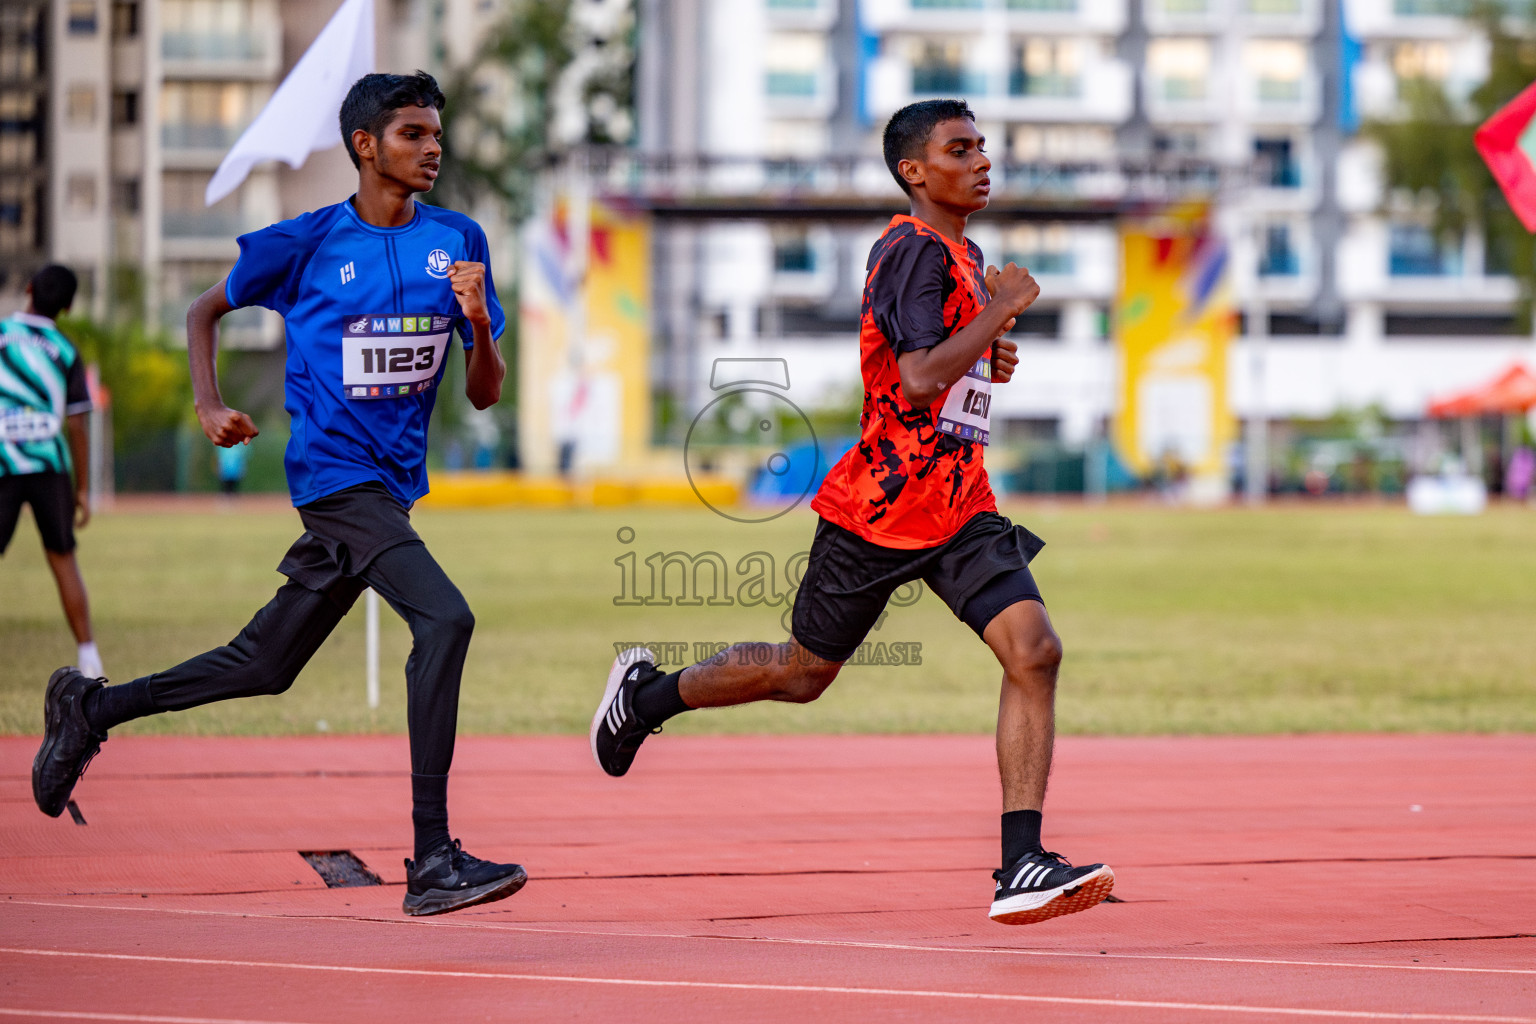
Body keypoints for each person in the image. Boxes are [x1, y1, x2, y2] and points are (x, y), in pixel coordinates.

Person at [592, 99, 1114, 927]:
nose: (983, 160)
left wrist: (987, 351)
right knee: (801, 674)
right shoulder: (908, 250)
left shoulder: (966, 253)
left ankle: (1021, 863)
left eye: (983, 146)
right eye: (960, 148)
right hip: (879, 508)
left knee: (1035, 651)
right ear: (915, 170)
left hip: (959, 503)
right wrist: (998, 314)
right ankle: (646, 699)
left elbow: (945, 371)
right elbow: (911, 379)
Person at [31, 72, 525, 918]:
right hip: (336, 482)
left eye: (436, 133)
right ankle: (433, 855)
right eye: (413, 133)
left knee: (264, 666)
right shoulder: (304, 243)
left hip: (390, 494)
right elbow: (201, 309)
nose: (433, 147)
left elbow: (484, 394)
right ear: (366, 146)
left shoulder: (459, 239)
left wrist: (477, 322)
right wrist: (210, 403)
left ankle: (91, 708)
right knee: (446, 619)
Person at [1, 265, 104, 679]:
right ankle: (89, 656)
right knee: (63, 559)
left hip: (3, 461)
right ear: (69, 305)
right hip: (49, 465)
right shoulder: (64, 349)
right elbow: (76, 426)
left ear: (26, 289)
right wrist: (81, 490)